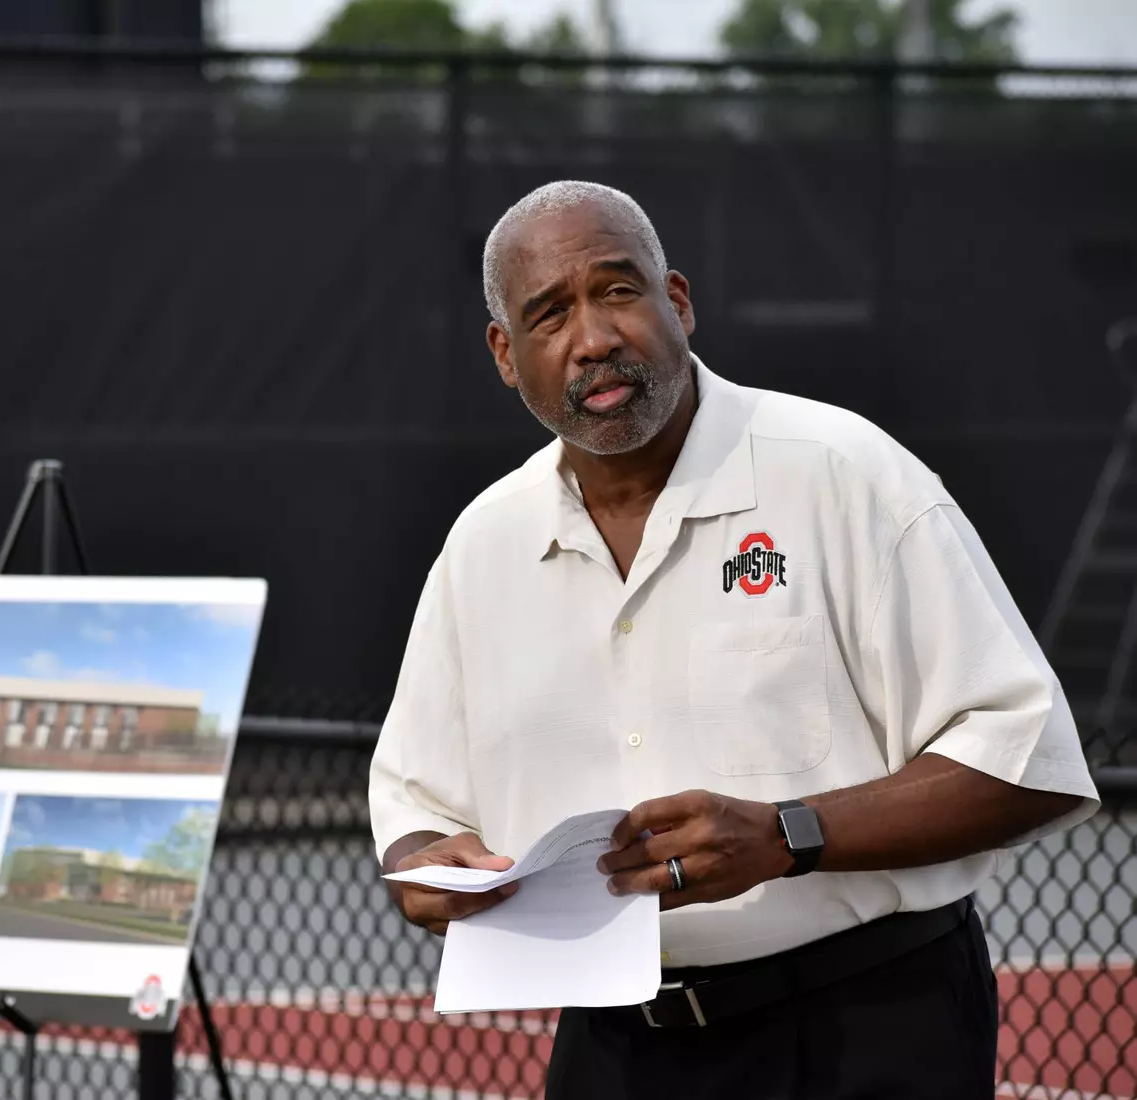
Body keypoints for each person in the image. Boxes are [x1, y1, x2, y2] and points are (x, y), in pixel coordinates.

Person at [368, 180, 1099, 1100]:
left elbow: (1029, 759)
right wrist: (424, 864)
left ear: (677, 302)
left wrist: (790, 834)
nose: (593, 339)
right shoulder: (484, 544)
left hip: (863, 1027)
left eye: (618, 290)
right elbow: (415, 804)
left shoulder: (842, 472)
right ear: (506, 355)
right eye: (550, 314)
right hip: (616, 1050)